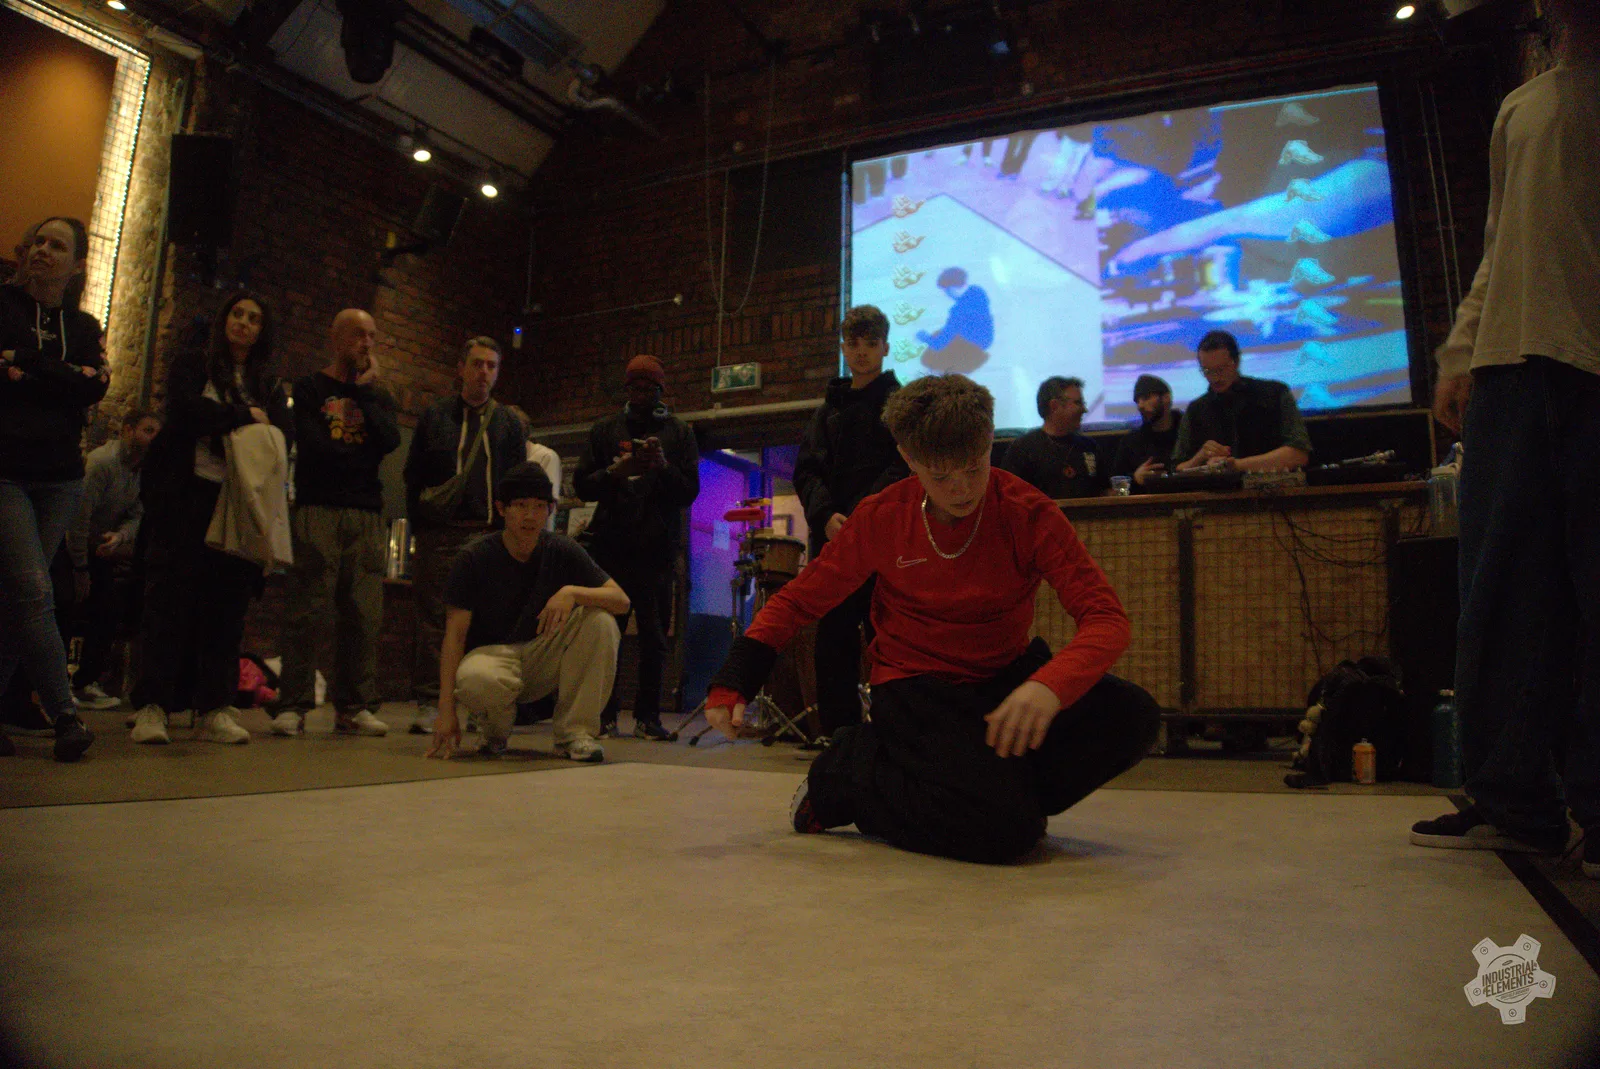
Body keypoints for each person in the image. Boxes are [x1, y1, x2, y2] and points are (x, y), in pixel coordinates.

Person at [705, 374, 1160, 864]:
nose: (962, 489)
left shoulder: (1029, 513)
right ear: (908, 458)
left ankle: (995, 802)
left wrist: (1051, 685)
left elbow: (1106, 619)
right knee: (1005, 834)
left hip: (1001, 677)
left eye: (974, 467)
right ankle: (853, 768)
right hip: (915, 687)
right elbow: (800, 600)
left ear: (990, 443)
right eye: (940, 476)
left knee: (1132, 716)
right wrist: (736, 677)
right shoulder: (883, 516)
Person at [1409, 0, 1600, 875]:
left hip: (1589, 362)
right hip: (1511, 370)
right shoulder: (1524, 104)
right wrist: (1462, 352)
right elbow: (1496, 244)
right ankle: (1514, 798)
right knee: (1502, 593)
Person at [128, 292, 292, 745]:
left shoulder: (268, 383)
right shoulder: (193, 365)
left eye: (254, 318)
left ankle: (215, 707)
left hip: (238, 503)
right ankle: (153, 705)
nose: (243, 323)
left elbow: (278, 432)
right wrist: (240, 416)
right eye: (237, 314)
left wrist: (234, 420)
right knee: (169, 602)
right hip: (186, 497)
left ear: (263, 330)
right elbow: (184, 412)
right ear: (224, 320)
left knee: (226, 608)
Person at [425, 463, 628, 762]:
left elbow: (620, 600)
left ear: (550, 509)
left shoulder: (562, 549)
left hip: (543, 654)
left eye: (539, 506)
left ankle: (575, 734)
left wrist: (572, 593)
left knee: (601, 621)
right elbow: (454, 636)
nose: (530, 516)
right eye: (520, 506)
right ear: (502, 508)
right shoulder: (474, 557)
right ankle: (493, 731)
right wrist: (445, 711)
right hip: (493, 659)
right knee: (475, 678)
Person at [0, 217, 106, 761]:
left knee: (18, 600)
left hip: (61, 477)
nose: (42, 251)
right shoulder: (3, 307)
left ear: (77, 265)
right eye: (37, 241)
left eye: (56, 246)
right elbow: (75, 382)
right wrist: (62, 378)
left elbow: (95, 386)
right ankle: (66, 714)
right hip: (6, 472)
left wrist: (26, 364)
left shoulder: (84, 326)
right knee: (34, 591)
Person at [269, 309, 401, 738]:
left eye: (372, 337)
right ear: (337, 337)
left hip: (365, 514)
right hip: (318, 509)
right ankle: (293, 704)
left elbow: (390, 441)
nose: (367, 343)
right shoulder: (309, 388)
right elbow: (313, 445)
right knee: (307, 608)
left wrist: (362, 393)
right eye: (359, 335)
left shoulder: (377, 395)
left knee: (364, 613)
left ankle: (355, 705)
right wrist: (354, 457)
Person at [793, 304, 907, 740]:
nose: (861, 352)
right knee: (834, 638)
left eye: (871, 344)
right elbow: (806, 470)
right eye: (854, 343)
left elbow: (903, 466)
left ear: (885, 348)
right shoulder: (827, 411)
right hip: (835, 541)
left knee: (891, 634)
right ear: (843, 347)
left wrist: (862, 515)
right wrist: (824, 516)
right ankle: (838, 733)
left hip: (884, 541)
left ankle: (896, 730)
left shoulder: (899, 405)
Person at [403, 337, 528, 735]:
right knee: (434, 621)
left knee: (483, 622)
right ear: (461, 368)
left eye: (491, 366)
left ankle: (475, 701)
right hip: (440, 534)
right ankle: (429, 700)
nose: (483, 373)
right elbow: (412, 476)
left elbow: (517, 481)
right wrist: (421, 527)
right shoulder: (435, 416)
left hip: (487, 536)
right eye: (477, 364)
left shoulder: (508, 423)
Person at [573, 354, 699, 740]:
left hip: (657, 553)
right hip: (610, 550)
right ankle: (604, 715)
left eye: (650, 388)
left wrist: (661, 466)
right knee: (604, 635)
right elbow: (581, 485)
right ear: (626, 390)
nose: (642, 395)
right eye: (635, 388)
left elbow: (689, 491)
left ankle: (649, 717)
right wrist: (615, 472)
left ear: (662, 391)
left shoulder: (678, 433)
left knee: (655, 638)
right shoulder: (606, 429)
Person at [68, 407, 160, 710]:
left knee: (107, 613)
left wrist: (118, 537)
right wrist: (79, 565)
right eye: (147, 430)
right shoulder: (102, 463)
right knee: (66, 613)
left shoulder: (141, 469)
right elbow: (78, 518)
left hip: (101, 550)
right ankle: (53, 683)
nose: (153, 438)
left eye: (156, 432)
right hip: (73, 548)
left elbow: (137, 513)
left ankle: (84, 683)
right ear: (128, 430)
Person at [1172, 331, 1311, 472]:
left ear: (1236, 362)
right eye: (1207, 371)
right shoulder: (1196, 409)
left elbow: (1299, 453)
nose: (1215, 378)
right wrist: (1200, 457)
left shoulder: (1274, 394)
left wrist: (1235, 465)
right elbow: (1177, 468)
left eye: (1221, 369)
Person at [999, 376, 1108, 499]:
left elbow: (1105, 490)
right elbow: (1008, 496)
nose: (1084, 409)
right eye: (1078, 403)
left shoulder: (1089, 446)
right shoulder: (1023, 449)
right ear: (1054, 406)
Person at [916, 268, 994, 374]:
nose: (947, 295)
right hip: (985, 340)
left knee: (929, 356)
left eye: (947, 291)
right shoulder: (977, 292)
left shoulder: (959, 311)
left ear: (953, 288)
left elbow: (940, 342)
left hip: (971, 349)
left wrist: (925, 338)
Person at [1111, 374, 1182, 488]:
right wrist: (1135, 478)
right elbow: (1115, 482)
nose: (1140, 406)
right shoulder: (1131, 442)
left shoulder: (1188, 433)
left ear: (1166, 398)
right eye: (1137, 401)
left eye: (1145, 398)